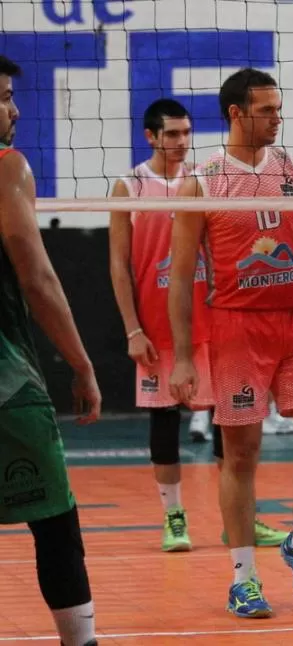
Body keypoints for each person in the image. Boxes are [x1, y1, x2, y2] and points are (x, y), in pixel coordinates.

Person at [168, 68, 293, 618]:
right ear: (236, 113)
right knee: (241, 454)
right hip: (236, 329)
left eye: (278, 107)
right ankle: (244, 579)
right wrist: (183, 357)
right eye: (267, 109)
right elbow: (181, 276)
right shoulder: (202, 181)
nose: (278, 117)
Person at [108, 98, 289, 553]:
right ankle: (173, 518)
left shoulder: (204, 181)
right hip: (157, 329)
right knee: (165, 422)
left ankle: (239, 520)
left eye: (186, 133)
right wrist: (132, 330)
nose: (181, 142)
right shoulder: (129, 186)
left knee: (233, 421)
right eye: (172, 134)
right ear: (150, 136)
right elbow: (118, 265)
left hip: (212, 325)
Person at [0, 55, 102, 646]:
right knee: (55, 521)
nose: (14, 110)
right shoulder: (7, 166)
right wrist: (82, 363)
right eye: (3, 97)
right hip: (6, 383)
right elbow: (37, 277)